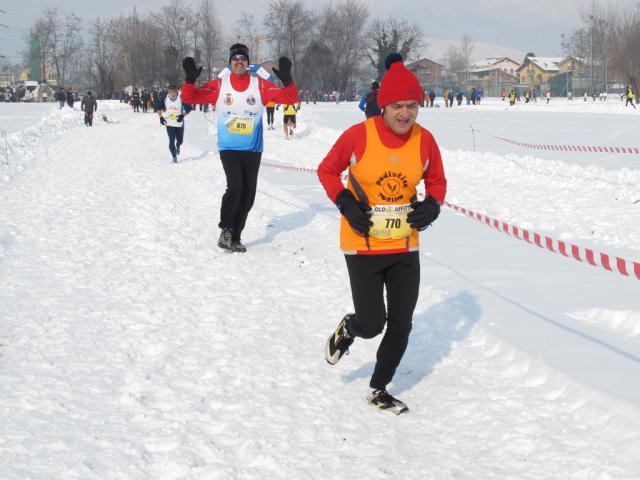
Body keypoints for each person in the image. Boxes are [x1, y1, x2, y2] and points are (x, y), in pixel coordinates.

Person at [317, 53, 447, 414]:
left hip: (405, 245)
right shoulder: (359, 135)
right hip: (363, 244)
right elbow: (327, 171)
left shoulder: (425, 140)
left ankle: (379, 387)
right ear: (383, 105)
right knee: (373, 323)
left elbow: (436, 180)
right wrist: (345, 202)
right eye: (396, 106)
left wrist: (432, 205)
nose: (405, 114)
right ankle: (350, 328)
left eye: (412, 106)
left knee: (402, 323)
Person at [180, 43, 300, 253]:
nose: (239, 63)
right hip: (229, 148)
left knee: (248, 194)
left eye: (242, 59)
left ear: (247, 63)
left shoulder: (260, 86)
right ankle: (226, 229)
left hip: (252, 149)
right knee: (235, 187)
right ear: (230, 63)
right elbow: (190, 98)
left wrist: (288, 80)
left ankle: (235, 236)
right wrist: (189, 80)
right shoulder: (219, 85)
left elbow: (291, 98)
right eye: (235, 60)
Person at [157, 85, 192, 163]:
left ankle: (178, 145)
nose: (172, 93)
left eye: (173, 92)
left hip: (179, 123)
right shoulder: (165, 98)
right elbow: (158, 108)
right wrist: (161, 118)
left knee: (180, 141)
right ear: (168, 91)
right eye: (170, 92)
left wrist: (182, 115)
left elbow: (189, 108)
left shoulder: (181, 98)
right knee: (171, 140)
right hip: (169, 123)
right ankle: (174, 157)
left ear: (176, 91)